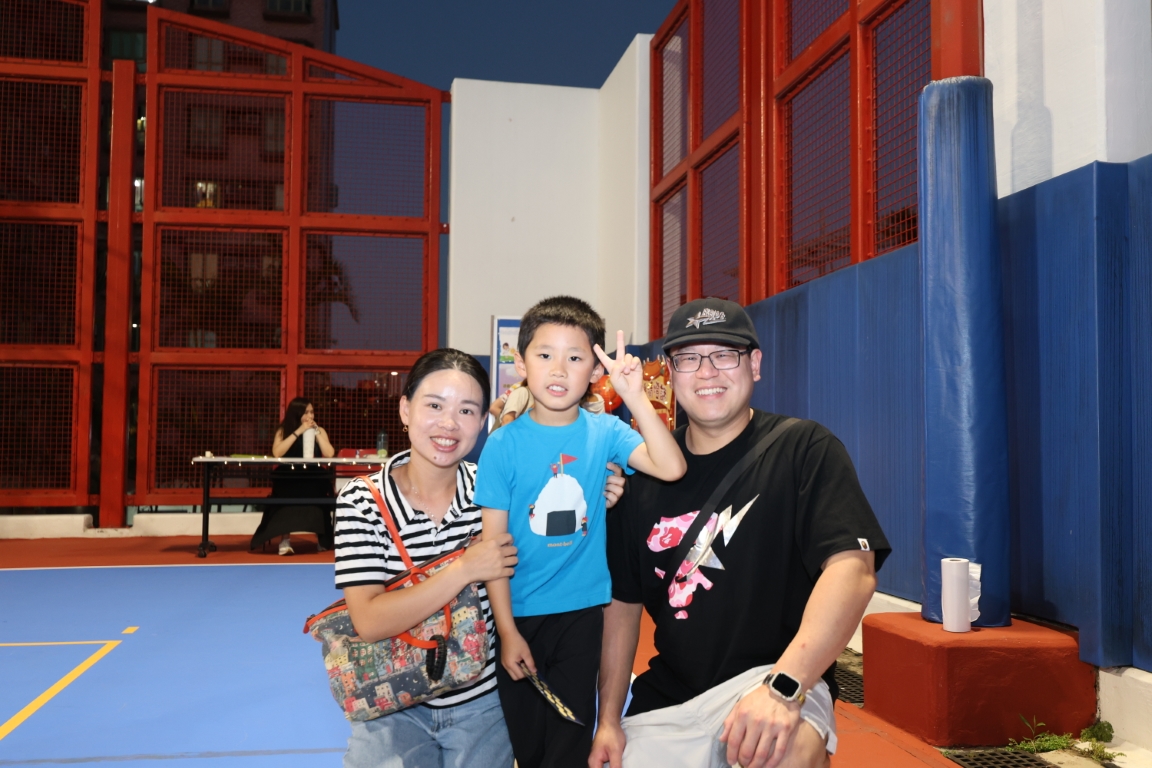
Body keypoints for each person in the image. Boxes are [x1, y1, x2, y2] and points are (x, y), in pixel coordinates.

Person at [589, 298, 891, 768]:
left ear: (755, 364)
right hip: (672, 696)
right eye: (689, 358)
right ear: (670, 374)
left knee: (782, 752)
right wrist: (608, 718)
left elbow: (853, 571)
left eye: (724, 355)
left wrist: (784, 687)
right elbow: (622, 605)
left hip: (775, 678)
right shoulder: (644, 473)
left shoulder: (804, 449)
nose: (707, 372)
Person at [332, 347, 627, 768]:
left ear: (483, 421)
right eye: (435, 405)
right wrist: (464, 569)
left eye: (467, 410)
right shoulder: (362, 501)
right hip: (393, 706)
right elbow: (369, 620)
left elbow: (559, 514)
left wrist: (600, 491)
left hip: (484, 705)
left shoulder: (496, 486)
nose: (449, 424)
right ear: (405, 409)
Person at [473, 296, 687, 768]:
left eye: (575, 358)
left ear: (594, 371)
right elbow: (493, 548)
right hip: (517, 614)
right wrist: (506, 631)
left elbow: (671, 467)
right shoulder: (502, 445)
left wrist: (634, 395)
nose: (558, 369)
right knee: (528, 747)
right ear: (521, 363)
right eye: (544, 354)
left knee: (569, 744)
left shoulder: (606, 431)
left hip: (581, 615)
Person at [251, 397, 336, 555]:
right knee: (286, 496)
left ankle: (322, 539)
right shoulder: (283, 431)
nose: (310, 416)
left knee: (320, 492)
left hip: (311, 476)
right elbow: (277, 452)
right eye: (306, 412)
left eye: (312, 412)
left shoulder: (320, 430)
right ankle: (285, 540)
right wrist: (300, 431)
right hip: (289, 476)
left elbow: (330, 453)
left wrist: (316, 431)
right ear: (297, 414)